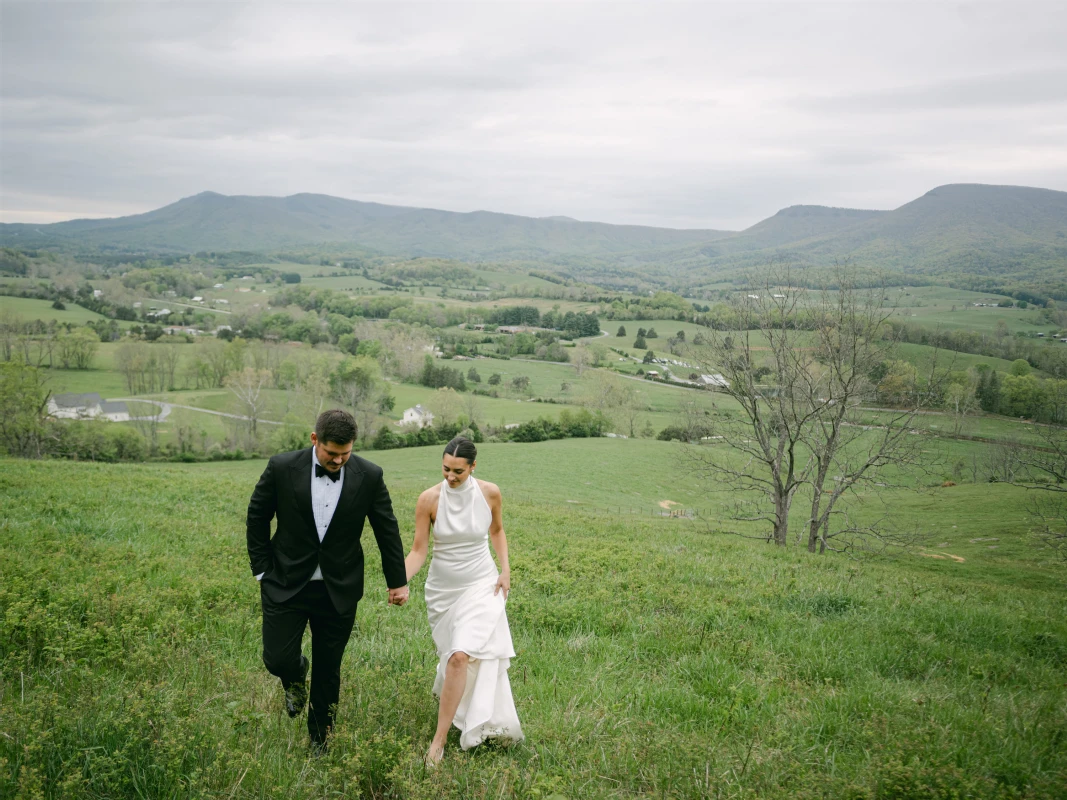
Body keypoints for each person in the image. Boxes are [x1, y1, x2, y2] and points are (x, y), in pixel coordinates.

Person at [246, 409, 408, 752]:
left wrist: (398, 581)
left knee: (329, 667)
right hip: (285, 581)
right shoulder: (281, 467)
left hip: (340, 587)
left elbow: (387, 529)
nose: (338, 460)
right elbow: (258, 515)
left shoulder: (370, 475)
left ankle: (320, 741)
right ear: (314, 439)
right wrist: (262, 568)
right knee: (277, 658)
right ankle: (294, 676)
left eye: (345, 454)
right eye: (331, 453)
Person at [405, 436, 524, 765]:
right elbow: (418, 551)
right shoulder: (429, 499)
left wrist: (505, 570)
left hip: (482, 583)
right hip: (443, 591)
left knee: (461, 656)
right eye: (445, 469)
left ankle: (439, 741)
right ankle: (464, 711)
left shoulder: (489, 493)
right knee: (452, 657)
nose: (451, 476)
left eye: (458, 471)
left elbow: (497, 531)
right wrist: (398, 580)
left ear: (473, 467)